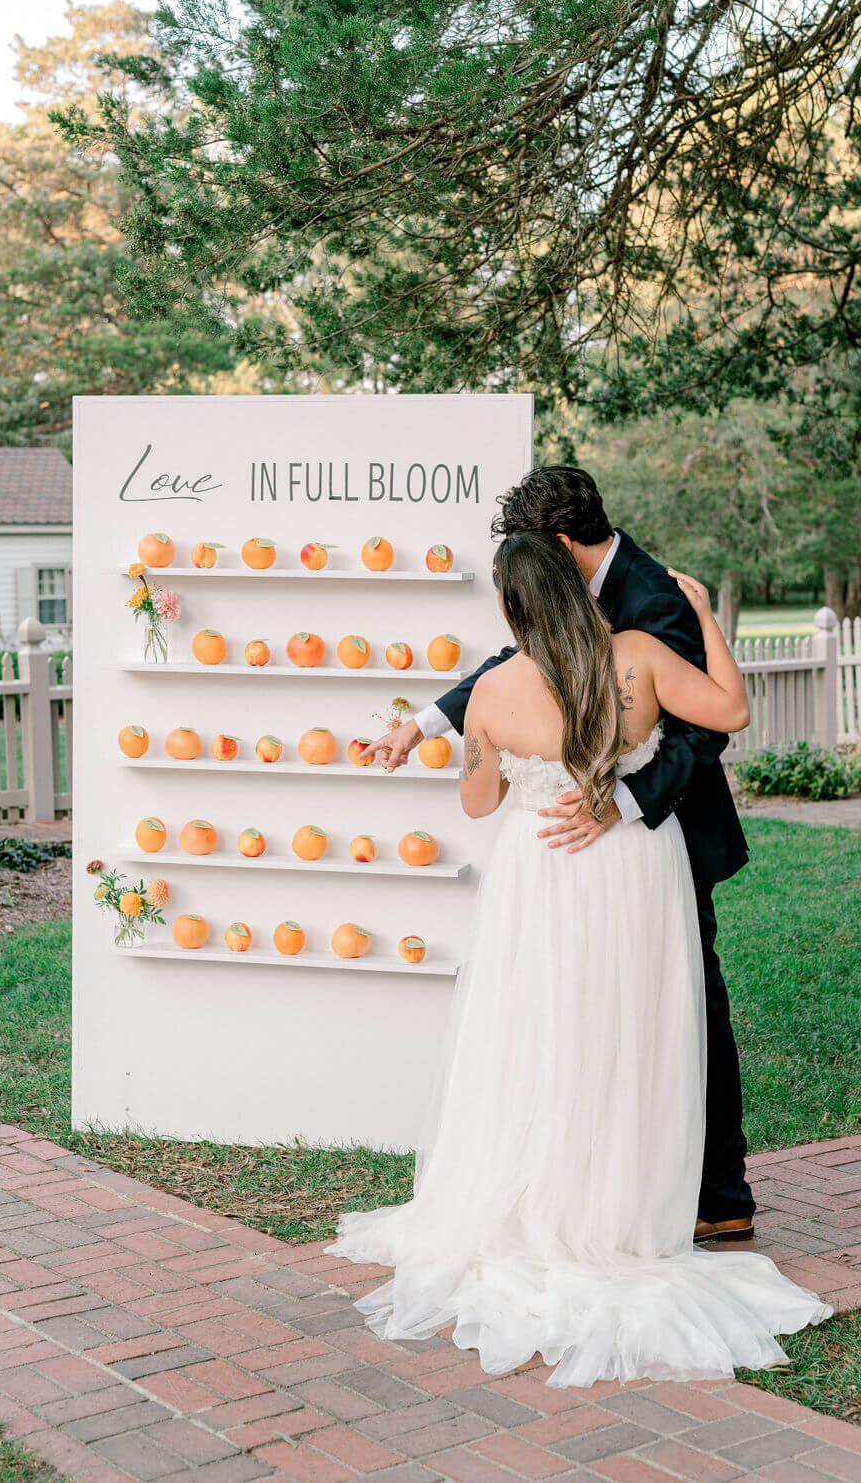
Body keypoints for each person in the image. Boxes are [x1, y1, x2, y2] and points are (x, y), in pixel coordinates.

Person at [326, 529, 830, 1386]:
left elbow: (480, 804)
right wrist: (706, 615)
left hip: (540, 878)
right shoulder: (637, 656)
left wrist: (475, 744)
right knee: (636, 1028)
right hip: (636, 871)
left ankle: (552, 1194)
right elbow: (732, 713)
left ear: (511, 607)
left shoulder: (491, 690)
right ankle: (631, 1209)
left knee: (547, 1029)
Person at [368, 467, 754, 1244]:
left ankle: (717, 1193)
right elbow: (516, 661)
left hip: (651, 829)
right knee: (596, 1010)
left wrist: (623, 799)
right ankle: (620, 1184)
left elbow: (704, 734)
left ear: (564, 544)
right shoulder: (598, 620)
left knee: (677, 1007)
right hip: (592, 844)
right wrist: (421, 725)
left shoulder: (653, 600)